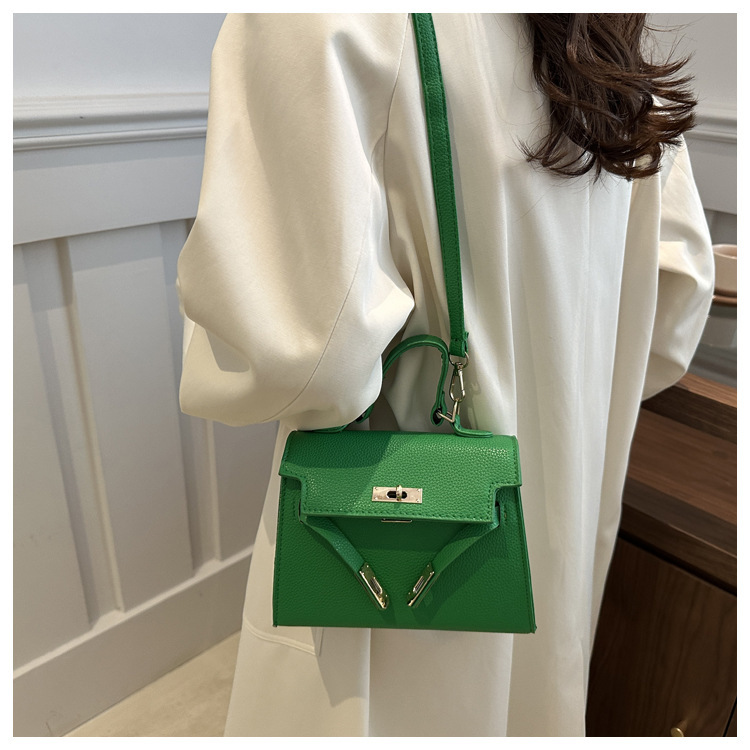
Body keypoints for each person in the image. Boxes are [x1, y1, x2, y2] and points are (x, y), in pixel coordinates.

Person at [176, 13, 714, 737]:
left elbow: (298, 355)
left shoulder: (321, 17)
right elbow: (675, 305)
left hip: (378, 539)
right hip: (569, 502)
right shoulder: (611, 37)